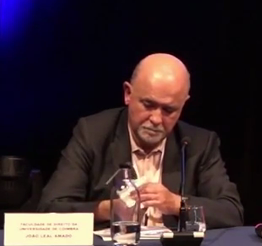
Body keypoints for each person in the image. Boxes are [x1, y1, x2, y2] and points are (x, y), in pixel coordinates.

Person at [38, 53, 244, 229]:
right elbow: (50, 209)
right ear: (128, 94)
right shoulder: (92, 134)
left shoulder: (198, 144)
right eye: (148, 104)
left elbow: (231, 213)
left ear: (184, 104)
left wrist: (177, 204)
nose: (156, 119)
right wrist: (107, 209)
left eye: (169, 110)